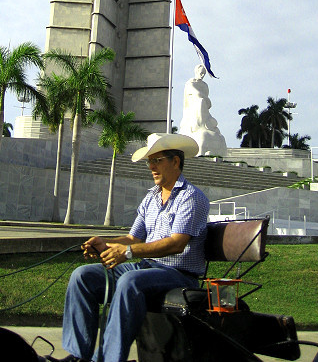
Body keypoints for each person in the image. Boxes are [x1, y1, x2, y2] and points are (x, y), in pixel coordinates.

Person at [41, 132, 210, 362]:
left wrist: (127, 252)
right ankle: (79, 356)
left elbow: (176, 244)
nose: (151, 167)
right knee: (82, 277)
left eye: (157, 160)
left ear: (176, 161)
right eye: (150, 161)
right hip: (146, 268)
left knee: (129, 282)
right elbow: (134, 238)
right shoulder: (151, 197)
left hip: (178, 275)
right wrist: (105, 244)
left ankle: (109, 359)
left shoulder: (191, 197)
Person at [179, 64, 227, 157]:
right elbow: (197, 94)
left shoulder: (205, 85)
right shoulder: (190, 83)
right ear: (196, 72)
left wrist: (205, 99)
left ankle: (204, 126)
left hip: (204, 110)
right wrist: (206, 99)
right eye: (201, 73)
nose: (202, 75)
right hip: (194, 109)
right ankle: (198, 125)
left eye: (204, 74)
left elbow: (207, 101)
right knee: (200, 101)